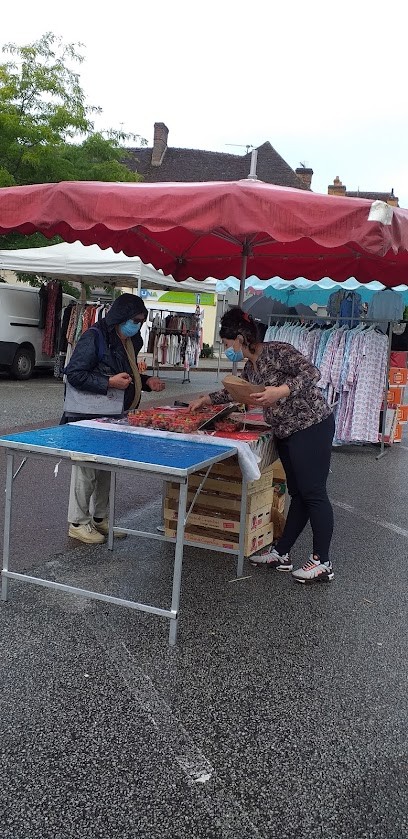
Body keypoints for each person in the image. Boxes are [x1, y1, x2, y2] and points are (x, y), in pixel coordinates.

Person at [189, 307, 335, 583]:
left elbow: (312, 373)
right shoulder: (250, 367)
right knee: (299, 493)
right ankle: (281, 552)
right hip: (285, 431)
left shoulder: (278, 350)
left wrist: (281, 391)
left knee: (314, 492)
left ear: (241, 338)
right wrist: (206, 400)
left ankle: (323, 562)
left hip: (311, 426)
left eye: (227, 343)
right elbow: (236, 391)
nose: (226, 348)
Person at [62, 293, 165, 544]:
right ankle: (77, 522)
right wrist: (108, 382)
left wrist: (146, 382)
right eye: (135, 320)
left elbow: (127, 373)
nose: (138, 324)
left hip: (110, 416)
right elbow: (73, 373)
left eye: (141, 320)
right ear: (121, 317)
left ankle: (100, 518)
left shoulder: (127, 340)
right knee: (85, 467)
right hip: (86, 417)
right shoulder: (94, 337)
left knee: (105, 469)